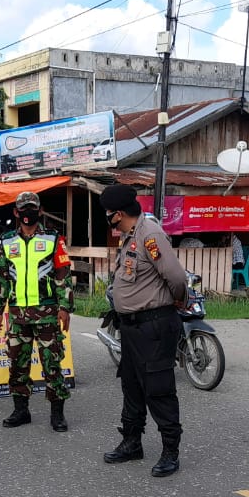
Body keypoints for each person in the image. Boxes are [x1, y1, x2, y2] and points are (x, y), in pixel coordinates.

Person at [100, 183, 188, 477]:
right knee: (132, 386)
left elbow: (176, 277)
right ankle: (131, 442)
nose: (107, 218)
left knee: (158, 389)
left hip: (154, 326)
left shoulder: (150, 234)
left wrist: (177, 301)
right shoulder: (130, 236)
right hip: (132, 328)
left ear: (118, 214)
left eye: (108, 213)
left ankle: (170, 451)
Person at [0, 191, 74, 431]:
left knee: (52, 365)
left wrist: (65, 307)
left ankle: (57, 413)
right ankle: (21, 410)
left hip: (47, 314)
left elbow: (63, 275)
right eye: (23, 208)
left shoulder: (53, 239)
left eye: (32, 208)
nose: (28, 212)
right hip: (18, 317)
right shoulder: (7, 242)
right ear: (16, 212)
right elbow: (1, 278)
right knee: (17, 364)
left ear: (40, 210)